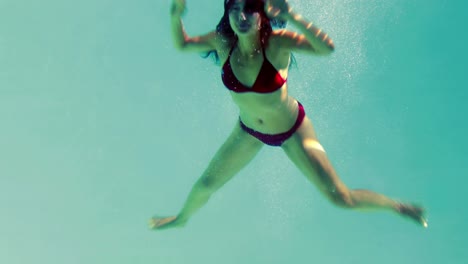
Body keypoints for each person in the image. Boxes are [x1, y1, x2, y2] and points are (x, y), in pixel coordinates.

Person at [150, 0, 427, 230]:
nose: (241, 17)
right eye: (235, 10)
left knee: (340, 197)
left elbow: (325, 48)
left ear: (262, 16)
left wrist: (293, 16)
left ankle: (397, 207)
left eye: (249, 10)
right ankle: (181, 219)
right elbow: (183, 44)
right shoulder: (223, 43)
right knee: (205, 184)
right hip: (248, 132)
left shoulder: (277, 43)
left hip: (293, 129)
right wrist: (176, 16)